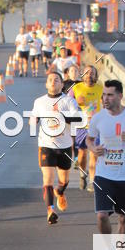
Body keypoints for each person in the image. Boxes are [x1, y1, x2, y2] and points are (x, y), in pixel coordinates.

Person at [86, 79, 125, 234]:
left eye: (110, 95)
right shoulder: (98, 117)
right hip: (103, 174)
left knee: (123, 218)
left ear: (120, 96)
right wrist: (93, 149)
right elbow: (89, 139)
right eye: (104, 95)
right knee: (101, 215)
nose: (105, 99)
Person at [30, 71, 80, 225]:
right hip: (46, 145)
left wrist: (62, 117)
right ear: (46, 84)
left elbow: (78, 118)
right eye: (50, 80)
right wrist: (33, 121)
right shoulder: (39, 102)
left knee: (64, 180)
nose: (53, 82)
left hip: (64, 145)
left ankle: (60, 192)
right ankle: (50, 210)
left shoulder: (69, 101)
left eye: (56, 80)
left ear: (61, 84)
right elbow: (33, 119)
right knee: (48, 179)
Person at [72, 65, 103, 191]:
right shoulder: (76, 88)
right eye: (87, 73)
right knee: (82, 154)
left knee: (94, 154)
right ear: (83, 75)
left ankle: (92, 181)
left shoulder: (100, 88)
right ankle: (82, 174)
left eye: (92, 73)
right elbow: (67, 103)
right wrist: (76, 102)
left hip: (96, 126)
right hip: (81, 126)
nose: (89, 75)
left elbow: (106, 103)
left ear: (96, 76)